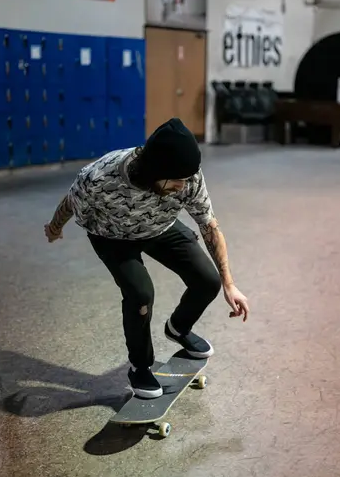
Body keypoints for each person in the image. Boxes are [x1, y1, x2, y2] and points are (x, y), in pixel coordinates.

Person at [44, 118, 249, 398]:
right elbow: (70, 201)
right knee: (141, 294)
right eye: (177, 181)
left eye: (187, 179)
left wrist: (229, 283)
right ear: (156, 170)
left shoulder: (188, 177)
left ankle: (178, 328)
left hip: (159, 226)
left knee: (207, 280)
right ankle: (140, 367)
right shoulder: (100, 179)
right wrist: (55, 228)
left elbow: (209, 225)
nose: (183, 186)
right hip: (111, 235)